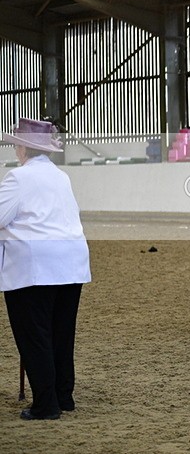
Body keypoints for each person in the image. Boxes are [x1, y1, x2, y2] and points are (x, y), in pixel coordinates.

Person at [0, 118, 91, 420]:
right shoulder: (61, 177)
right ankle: (64, 396)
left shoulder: (18, 178)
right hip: (71, 263)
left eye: (17, 142)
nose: (15, 147)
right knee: (61, 333)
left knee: (34, 335)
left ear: (25, 146)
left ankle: (45, 404)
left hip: (35, 267)